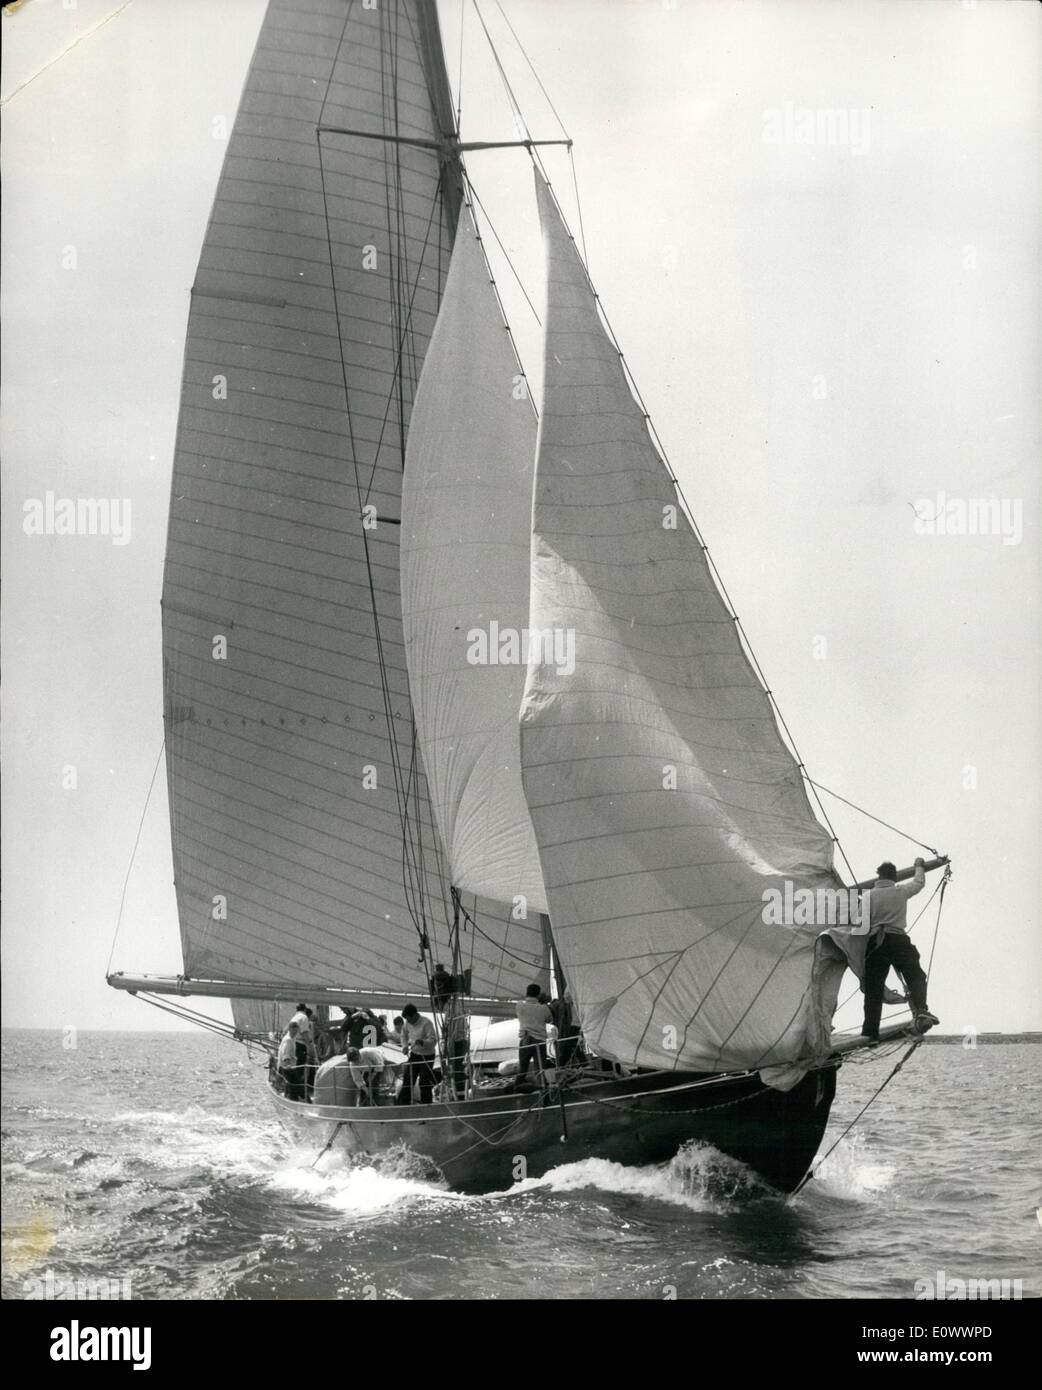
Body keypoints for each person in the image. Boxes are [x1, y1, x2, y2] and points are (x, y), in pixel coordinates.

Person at [861, 857, 940, 1041]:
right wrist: (919, 866)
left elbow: (860, 925)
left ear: (878, 876)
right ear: (894, 877)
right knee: (915, 975)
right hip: (897, 939)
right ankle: (921, 1010)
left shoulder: (867, 896)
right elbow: (919, 882)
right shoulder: (901, 891)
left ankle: (870, 1032)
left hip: (875, 944)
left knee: (874, 988)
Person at [395, 1004, 438, 1105]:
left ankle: (426, 1104)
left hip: (427, 1055)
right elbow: (403, 1035)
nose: (408, 1021)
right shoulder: (407, 1023)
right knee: (408, 1079)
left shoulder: (426, 1023)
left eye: (409, 1019)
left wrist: (423, 1042)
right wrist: (404, 1046)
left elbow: (433, 1040)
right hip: (414, 1054)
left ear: (414, 1015)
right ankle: (402, 1105)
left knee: (424, 1081)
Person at [516, 983, 553, 1085]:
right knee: (540, 1069)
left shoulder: (519, 1006)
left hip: (525, 1040)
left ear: (527, 993)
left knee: (522, 1069)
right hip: (539, 1041)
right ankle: (542, 1089)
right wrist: (543, 1002)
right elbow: (549, 1020)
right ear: (538, 995)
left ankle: (517, 1089)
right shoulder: (544, 1008)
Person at [548, 983, 580, 1072]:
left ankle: (562, 1067)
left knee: (568, 1047)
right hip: (574, 1026)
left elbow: (567, 997)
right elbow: (567, 998)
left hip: (573, 1026)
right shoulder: (570, 1006)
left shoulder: (570, 1005)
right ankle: (581, 1063)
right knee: (570, 1046)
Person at [277, 1022, 306, 1101]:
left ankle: (290, 1098)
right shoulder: (288, 1040)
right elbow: (286, 1054)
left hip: (288, 1067)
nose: (295, 1032)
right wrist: (288, 1065)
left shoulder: (292, 1038)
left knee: (292, 1087)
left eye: (296, 1030)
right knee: (296, 1086)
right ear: (289, 1029)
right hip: (287, 1068)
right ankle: (299, 1101)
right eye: (293, 1030)